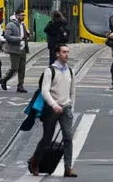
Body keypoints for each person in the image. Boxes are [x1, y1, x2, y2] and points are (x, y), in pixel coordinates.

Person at [29, 44, 78, 177]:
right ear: (57, 54)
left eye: (68, 52)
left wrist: (71, 106)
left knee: (68, 137)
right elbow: (45, 91)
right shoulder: (50, 71)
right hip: (51, 109)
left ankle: (68, 168)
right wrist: (54, 105)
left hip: (66, 107)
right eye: (63, 52)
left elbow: (72, 91)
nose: (66, 54)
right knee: (47, 138)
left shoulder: (71, 71)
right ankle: (35, 161)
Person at [1, 9, 31, 93]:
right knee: (14, 68)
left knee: (22, 69)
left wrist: (27, 34)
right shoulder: (10, 25)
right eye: (22, 15)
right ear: (17, 15)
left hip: (23, 49)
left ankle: (20, 85)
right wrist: (19, 38)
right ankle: (4, 80)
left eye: (24, 15)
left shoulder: (23, 25)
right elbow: (7, 36)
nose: (23, 17)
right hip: (14, 49)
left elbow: (25, 35)